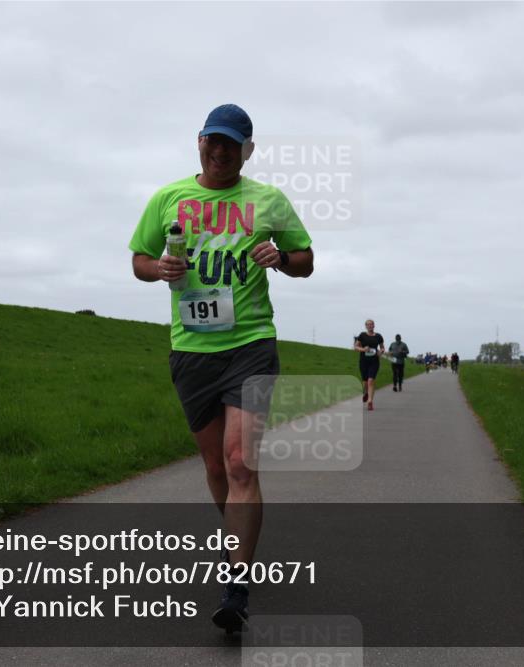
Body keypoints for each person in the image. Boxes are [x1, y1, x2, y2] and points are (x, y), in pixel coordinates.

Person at [129, 104, 313, 633]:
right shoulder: (168, 199)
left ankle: (237, 586)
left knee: (238, 464)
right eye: (214, 140)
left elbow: (306, 259)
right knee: (215, 469)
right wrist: (157, 268)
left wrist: (281, 257)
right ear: (200, 141)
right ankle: (239, 536)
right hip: (191, 348)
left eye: (233, 144)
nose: (221, 151)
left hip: (250, 343)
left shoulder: (268, 201)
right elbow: (139, 259)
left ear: (247, 150)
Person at [354, 320, 384, 410]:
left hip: (374, 361)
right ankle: (365, 393)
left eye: (372, 324)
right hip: (364, 361)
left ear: (374, 325)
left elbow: (382, 347)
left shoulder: (378, 336)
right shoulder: (362, 335)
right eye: (368, 325)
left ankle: (370, 401)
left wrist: (381, 352)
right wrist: (363, 349)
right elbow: (355, 347)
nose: (370, 326)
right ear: (366, 326)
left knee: (371, 380)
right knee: (365, 382)